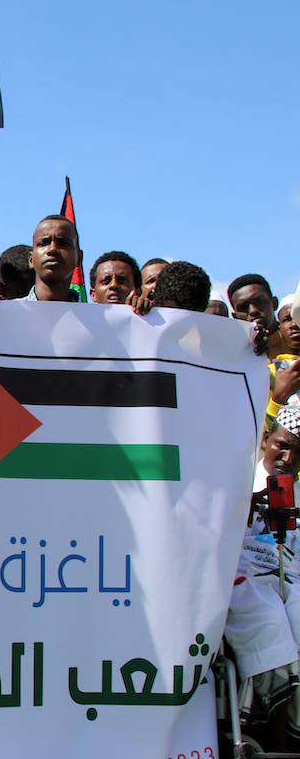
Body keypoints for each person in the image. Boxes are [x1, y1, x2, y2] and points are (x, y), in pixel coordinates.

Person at [225, 405, 300, 751]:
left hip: (289, 579)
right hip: (246, 580)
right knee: (270, 620)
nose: (286, 457)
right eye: (281, 445)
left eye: (297, 452)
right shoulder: (238, 480)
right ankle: (274, 732)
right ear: (266, 438)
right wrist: (246, 507)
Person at [230, 274, 290, 359]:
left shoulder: (295, 338)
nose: (253, 311)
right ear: (235, 317)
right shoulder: (232, 353)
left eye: (259, 302)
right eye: (243, 307)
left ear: (274, 303)